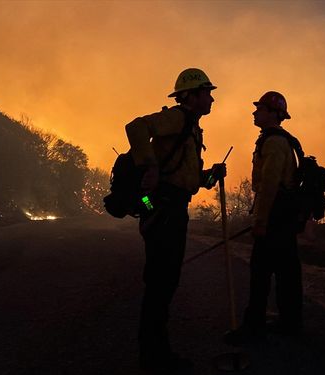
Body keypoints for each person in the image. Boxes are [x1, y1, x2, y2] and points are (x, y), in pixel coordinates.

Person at [125, 68, 226, 371]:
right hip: (165, 209)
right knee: (161, 282)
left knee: (165, 282)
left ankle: (156, 352)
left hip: (174, 208)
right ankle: (154, 358)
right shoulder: (179, 118)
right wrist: (150, 166)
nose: (211, 98)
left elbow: (188, 177)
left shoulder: (193, 127)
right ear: (191, 96)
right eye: (207, 93)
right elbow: (136, 127)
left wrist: (210, 176)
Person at [224, 91, 303, 345]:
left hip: (275, 217)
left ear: (273, 114)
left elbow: (269, 185)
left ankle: (253, 326)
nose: (255, 112)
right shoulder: (277, 141)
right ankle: (290, 323)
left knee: (261, 271)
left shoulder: (274, 142)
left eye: (260, 109)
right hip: (284, 217)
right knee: (286, 271)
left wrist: (260, 222)